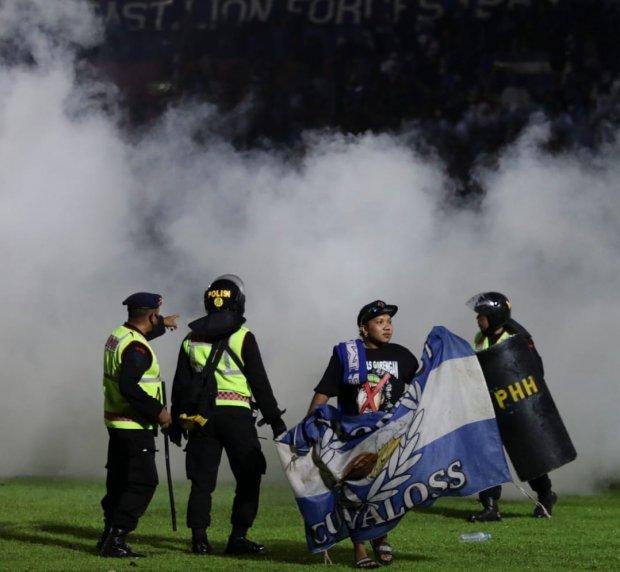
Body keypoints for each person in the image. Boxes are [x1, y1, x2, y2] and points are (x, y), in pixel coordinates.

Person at [170, 274, 286, 556]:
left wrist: (176, 422)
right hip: (237, 416)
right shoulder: (244, 337)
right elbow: (260, 384)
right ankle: (238, 537)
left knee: (202, 481)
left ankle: (199, 540)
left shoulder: (190, 339)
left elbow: (180, 386)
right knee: (249, 476)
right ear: (238, 302)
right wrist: (276, 422)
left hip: (202, 418)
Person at [308, 300, 419, 569]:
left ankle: (380, 536)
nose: (387, 327)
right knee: (354, 493)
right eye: (380, 322)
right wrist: (308, 425)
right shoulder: (347, 355)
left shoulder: (403, 356)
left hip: (390, 436)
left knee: (384, 490)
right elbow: (324, 392)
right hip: (353, 434)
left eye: (389, 322)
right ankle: (360, 548)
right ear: (364, 328)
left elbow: (422, 388)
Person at [466, 291, 558, 522]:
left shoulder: (517, 338)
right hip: (489, 404)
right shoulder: (480, 338)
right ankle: (490, 506)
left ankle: (546, 495)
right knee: (487, 454)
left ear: (494, 316)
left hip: (516, 404)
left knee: (528, 454)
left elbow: (535, 370)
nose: (477, 319)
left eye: (481, 315)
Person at [99, 292, 179, 557]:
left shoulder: (119, 335)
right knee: (144, 482)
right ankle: (117, 538)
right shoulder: (137, 348)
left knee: (119, 481)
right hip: (135, 426)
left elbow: (139, 340)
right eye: (158, 316)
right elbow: (129, 386)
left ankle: (107, 534)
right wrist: (160, 412)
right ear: (151, 316)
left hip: (116, 423)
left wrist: (162, 324)